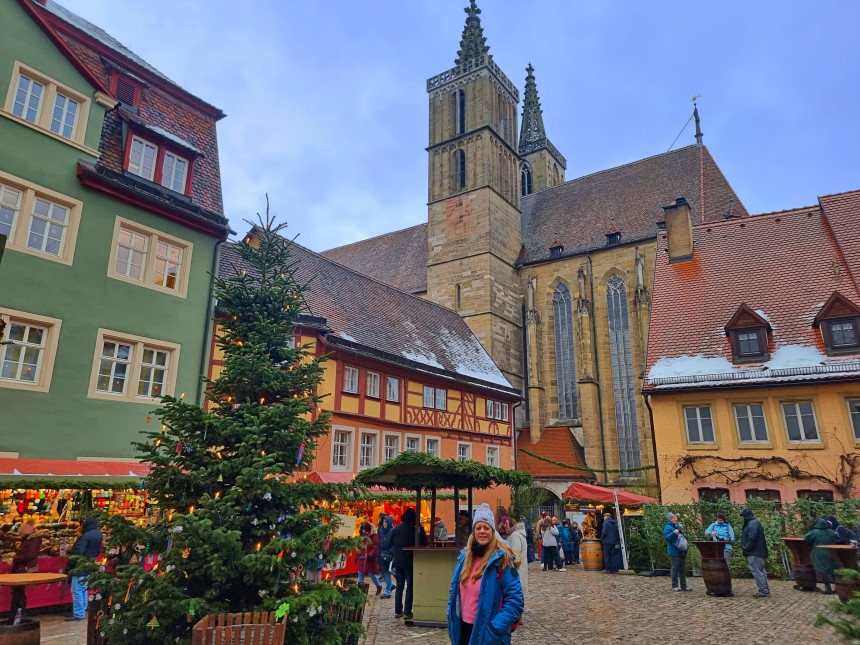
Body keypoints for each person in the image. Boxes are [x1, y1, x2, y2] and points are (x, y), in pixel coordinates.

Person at [447, 504, 523, 645]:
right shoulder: (464, 558)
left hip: (487, 632)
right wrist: (451, 615)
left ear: (492, 531)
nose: (482, 531)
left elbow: (515, 601)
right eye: (478, 527)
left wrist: (495, 627)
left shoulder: (502, 560)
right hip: (463, 629)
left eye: (486, 528)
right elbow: (454, 590)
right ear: (473, 531)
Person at [391, 507, 427, 619]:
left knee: (399, 586)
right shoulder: (416, 530)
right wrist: (421, 528)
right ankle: (407, 611)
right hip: (410, 561)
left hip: (398, 560)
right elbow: (424, 542)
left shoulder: (396, 529)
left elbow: (390, 542)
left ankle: (397, 610)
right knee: (410, 586)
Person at [67, 516, 103, 621]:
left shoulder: (85, 536)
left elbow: (79, 551)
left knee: (77, 589)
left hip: (79, 565)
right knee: (83, 588)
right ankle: (83, 609)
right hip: (89, 564)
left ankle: (79, 613)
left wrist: (71, 555)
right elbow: (97, 551)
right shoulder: (98, 534)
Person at [9, 520, 41, 620]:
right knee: (18, 593)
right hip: (22, 569)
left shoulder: (33, 541)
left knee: (19, 593)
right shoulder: (29, 540)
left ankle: (19, 615)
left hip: (25, 570)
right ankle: (16, 614)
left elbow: (30, 555)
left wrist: (14, 559)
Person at [740, 507, 770, 597]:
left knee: (757, 571)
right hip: (760, 551)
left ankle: (763, 590)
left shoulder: (752, 524)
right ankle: (765, 590)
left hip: (755, 552)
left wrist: (747, 548)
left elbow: (752, 537)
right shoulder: (754, 523)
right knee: (761, 572)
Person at [805, 517, 838, 594]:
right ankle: (838, 587)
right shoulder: (831, 532)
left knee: (823, 570)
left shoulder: (815, 532)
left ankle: (828, 588)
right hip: (831, 552)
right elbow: (835, 538)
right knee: (833, 570)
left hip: (819, 553)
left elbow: (806, 537)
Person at [663, 512, 691, 592]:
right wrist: (673, 533)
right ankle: (675, 585)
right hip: (674, 551)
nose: (676, 519)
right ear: (671, 519)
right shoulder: (667, 527)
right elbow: (667, 538)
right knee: (675, 568)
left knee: (682, 569)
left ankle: (684, 586)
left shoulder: (678, 526)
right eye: (674, 518)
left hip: (682, 551)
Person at [356, 521, 383, 595]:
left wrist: (370, 555)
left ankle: (378, 586)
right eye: (362, 529)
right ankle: (360, 589)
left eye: (364, 529)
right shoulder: (361, 536)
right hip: (361, 558)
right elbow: (358, 547)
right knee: (360, 573)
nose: (363, 531)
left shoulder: (374, 536)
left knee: (371, 574)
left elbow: (376, 547)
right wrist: (357, 555)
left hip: (369, 559)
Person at [508, 518, 529, 596]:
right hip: (520, 568)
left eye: (506, 523)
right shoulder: (519, 534)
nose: (504, 525)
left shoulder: (515, 535)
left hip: (517, 569)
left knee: (516, 592)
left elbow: (515, 553)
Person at [377, 513, 395, 599]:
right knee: (383, 572)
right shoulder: (380, 530)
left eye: (386, 522)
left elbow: (395, 544)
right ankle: (391, 585)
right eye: (383, 522)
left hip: (388, 555)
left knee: (387, 572)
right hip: (381, 554)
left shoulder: (392, 531)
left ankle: (388, 592)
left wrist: (390, 552)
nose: (384, 524)